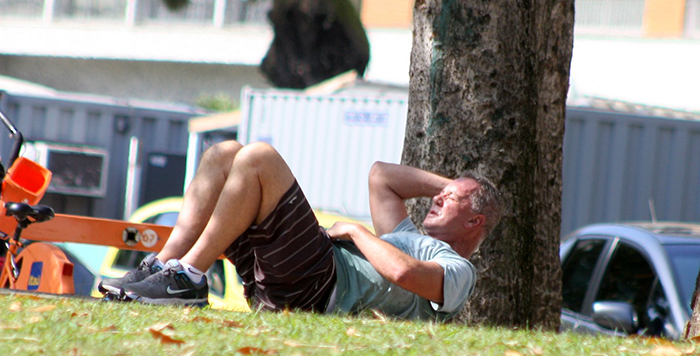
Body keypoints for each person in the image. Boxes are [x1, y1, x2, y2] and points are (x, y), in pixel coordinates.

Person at [99, 140, 503, 321]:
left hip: (320, 287)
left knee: (261, 158)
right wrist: (455, 186)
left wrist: (358, 233)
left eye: (451, 201)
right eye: (441, 193)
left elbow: (406, 274)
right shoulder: (406, 235)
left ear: (474, 222)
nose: (438, 198)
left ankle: (187, 279)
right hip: (293, 279)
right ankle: (164, 268)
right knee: (224, 154)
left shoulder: (456, 269)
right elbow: (382, 177)